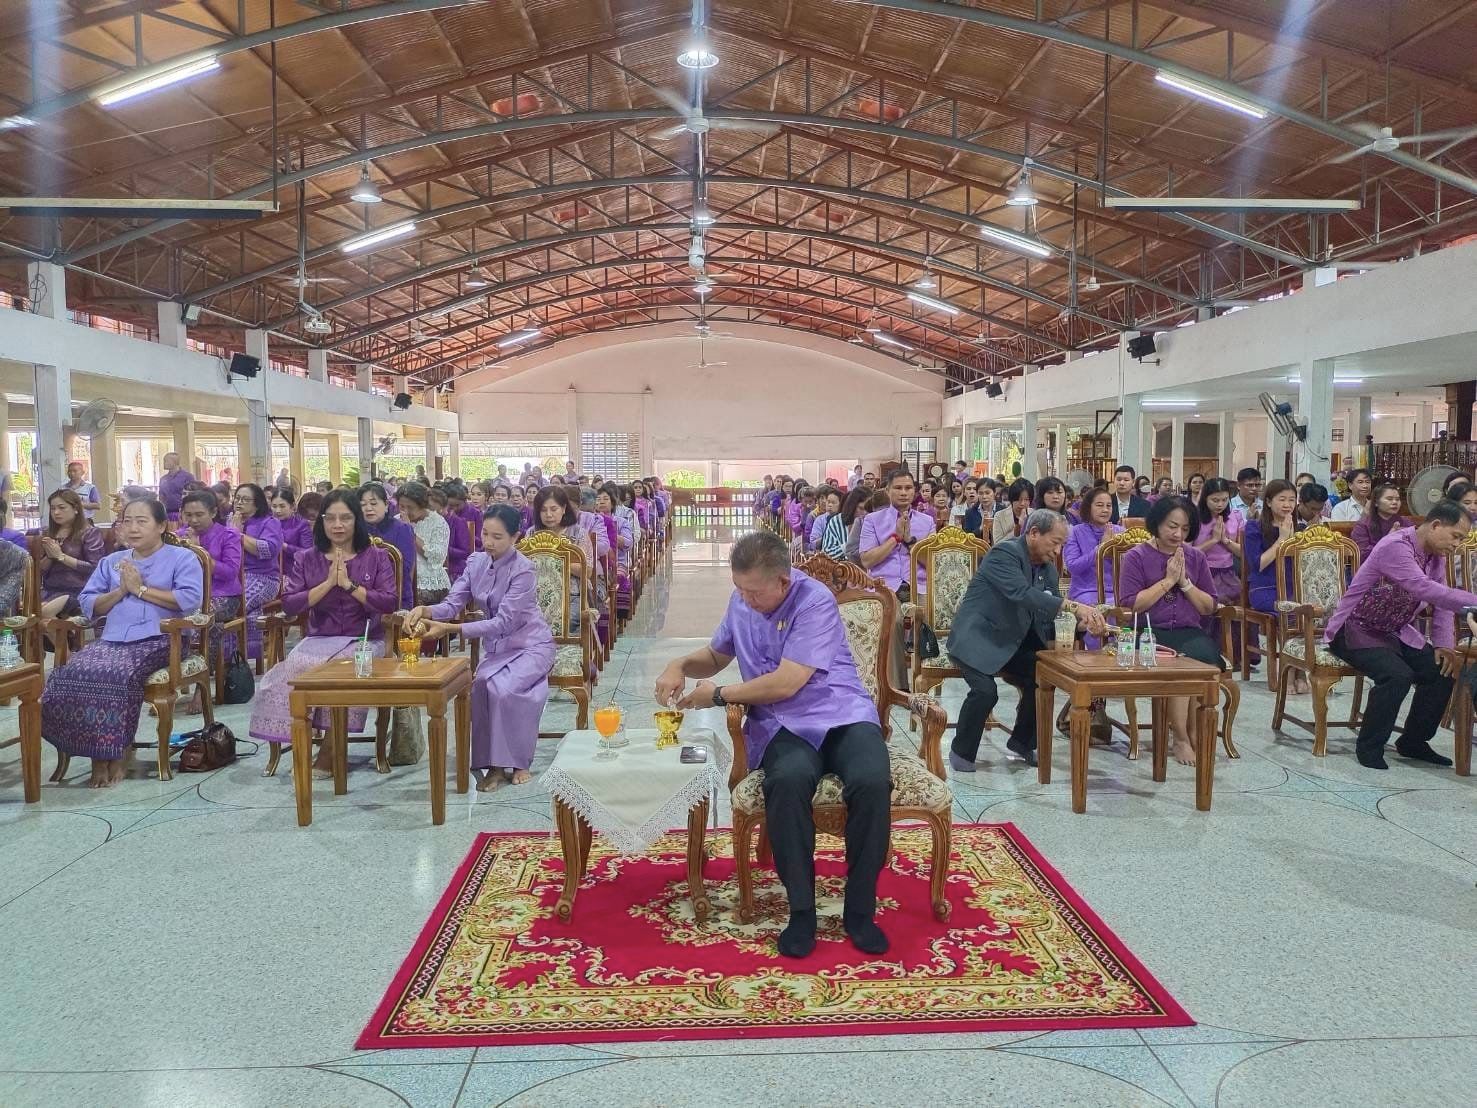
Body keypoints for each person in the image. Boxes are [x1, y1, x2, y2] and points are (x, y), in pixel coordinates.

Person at [654, 530, 890, 958]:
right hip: (782, 723)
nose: (745, 600)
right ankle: (801, 911)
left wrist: (719, 695)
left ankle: (860, 910)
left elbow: (786, 682)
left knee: (872, 779)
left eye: (754, 592)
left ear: (783, 580)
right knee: (787, 780)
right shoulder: (742, 601)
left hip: (840, 711)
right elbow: (717, 655)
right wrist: (679, 665)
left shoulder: (813, 600)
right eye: (739, 589)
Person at [40, 498, 203, 789]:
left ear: (161, 526)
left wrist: (140, 589)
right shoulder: (111, 562)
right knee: (69, 673)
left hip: (161, 638)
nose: (133, 528)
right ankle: (96, 753)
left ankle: (118, 751)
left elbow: (189, 600)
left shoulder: (182, 558)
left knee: (115, 674)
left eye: (142, 521)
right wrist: (121, 591)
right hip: (113, 639)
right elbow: (89, 603)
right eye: (128, 521)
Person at [248, 489, 399, 774]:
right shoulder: (307, 557)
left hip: (365, 638)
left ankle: (331, 750)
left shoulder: (376, 557)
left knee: (343, 669)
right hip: (320, 638)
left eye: (345, 518)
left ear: (356, 520)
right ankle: (301, 743)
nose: (337, 525)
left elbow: (389, 602)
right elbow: (291, 604)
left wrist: (350, 586)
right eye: (330, 518)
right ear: (322, 522)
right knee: (293, 668)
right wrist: (329, 583)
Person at [947, 509, 1107, 771]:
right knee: (986, 692)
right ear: (1033, 533)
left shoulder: (1048, 570)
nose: (1057, 551)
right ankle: (961, 752)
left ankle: (1023, 742)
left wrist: (1082, 626)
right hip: (977, 638)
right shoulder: (1004, 553)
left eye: (1062, 545)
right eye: (1055, 543)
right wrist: (1075, 606)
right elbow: (1022, 594)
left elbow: (1049, 615)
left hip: (1013, 643)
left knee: (1042, 676)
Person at [407, 504, 553, 790]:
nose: (488, 542)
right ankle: (494, 766)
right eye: (485, 534)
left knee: (505, 690)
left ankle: (519, 762)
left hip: (531, 645)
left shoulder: (523, 570)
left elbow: (504, 622)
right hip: (498, 649)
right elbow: (452, 604)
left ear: (515, 537)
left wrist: (451, 629)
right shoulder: (476, 562)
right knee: (483, 685)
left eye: (497, 537)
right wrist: (425, 610)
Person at [1325, 500, 1476, 770]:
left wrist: (1443, 645)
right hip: (1355, 627)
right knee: (1397, 675)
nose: (1457, 545)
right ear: (1436, 525)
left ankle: (1413, 742)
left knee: (1442, 670)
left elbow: (1441, 605)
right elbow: (1424, 588)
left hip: (1394, 631)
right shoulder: (1396, 546)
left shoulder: (1436, 556)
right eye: (1455, 536)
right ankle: (1369, 746)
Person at [1117, 497, 1224, 766]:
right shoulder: (1136, 557)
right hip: (1148, 632)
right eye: (1172, 526)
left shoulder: (1196, 557)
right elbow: (1132, 604)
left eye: (1185, 529)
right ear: (1157, 524)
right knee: (1179, 665)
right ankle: (1181, 737)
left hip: (1188, 631)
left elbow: (1209, 606)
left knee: (1204, 660)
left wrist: (1185, 583)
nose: (1178, 534)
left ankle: (1195, 731)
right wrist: (1168, 581)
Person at [1243, 479, 1304, 688]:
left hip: (1293, 588)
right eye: (1282, 499)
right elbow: (1258, 564)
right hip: (1265, 589)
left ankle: (1299, 671)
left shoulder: (1301, 529)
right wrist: (1282, 540)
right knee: (1290, 612)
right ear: (1268, 502)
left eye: (1292, 500)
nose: (1287, 505)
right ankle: (1289, 674)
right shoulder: (1254, 528)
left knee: (1307, 611)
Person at [177, 489, 245, 672]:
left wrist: (200, 552)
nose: (193, 520)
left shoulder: (228, 535)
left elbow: (230, 572)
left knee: (202, 618)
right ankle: (176, 670)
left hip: (224, 595)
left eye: (199, 515)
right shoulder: (178, 536)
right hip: (190, 594)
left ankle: (201, 674)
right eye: (188, 515)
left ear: (213, 512)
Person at [859, 469, 935, 599]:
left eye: (908, 488)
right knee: (893, 611)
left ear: (914, 491)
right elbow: (867, 561)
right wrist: (896, 538)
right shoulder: (872, 520)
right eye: (898, 488)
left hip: (919, 588)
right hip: (884, 588)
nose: (903, 493)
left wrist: (909, 541)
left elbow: (933, 563)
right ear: (887, 491)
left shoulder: (927, 521)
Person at [229, 483, 283, 663]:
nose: (239, 503)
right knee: (214, 606)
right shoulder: (230, 521)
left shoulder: (269, 522)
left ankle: (234, 657)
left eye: (245, 499)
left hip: (264, 578)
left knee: (235, 606)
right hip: (234, 577)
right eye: (237, 498)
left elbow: (268, 550)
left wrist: (238, 535)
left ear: (257, 503)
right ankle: (229, 658)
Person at [37, 489, 106, 629]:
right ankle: (67, 641)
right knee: (36, 614)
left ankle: (68, 641)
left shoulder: (90, 533)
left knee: (45, 612)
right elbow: (41, 570)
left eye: (62, 508)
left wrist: (61, 556)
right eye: (53, 508)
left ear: (75, 509)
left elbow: (95, 568)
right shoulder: (48, 533)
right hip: (50, 589)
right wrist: (50, 556)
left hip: (79, 589)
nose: (56, 512)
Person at [360, 482, 416, 609]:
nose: (368, 508)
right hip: (361, 596)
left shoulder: (402, 529)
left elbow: (404, 568)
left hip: (396, 596)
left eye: (373, 503)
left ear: (386, 505)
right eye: (363, 505)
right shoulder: (356, 530)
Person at [1195, 477, 1245, 605]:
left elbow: (1242, 552)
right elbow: (1187, 552)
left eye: (1224, 500)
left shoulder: (1235, 516)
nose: (1220, 505)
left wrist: (1224, 540)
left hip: (1228, 572)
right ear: (1205, 498)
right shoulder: (1194, 518)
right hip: (1201, 571)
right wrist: (1213, 540)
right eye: (1215, 500)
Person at [1351, 483, 1408, 562]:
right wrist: (1388, 539)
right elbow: (1362, 557)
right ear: (1376, 502)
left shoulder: (1405, 522)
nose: (1395, 502)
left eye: (1397, 499)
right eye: (1389, 499)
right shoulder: (1363, 525)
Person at [270, 487, 314, 558]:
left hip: (294, 564)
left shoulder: (301, 524)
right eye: (274, 506)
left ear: (292, 506)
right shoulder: (268, 523)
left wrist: (286, 547)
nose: (277, 510)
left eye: (282, 506)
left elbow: (308, 553)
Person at [992, 478, 1034, 545]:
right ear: (1012, 499)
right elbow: (998, 544)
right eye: (1018, 499)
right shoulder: (999, 516)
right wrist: (1018, 528)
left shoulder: (1034, 514)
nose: (1022, 503)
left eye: (1026, 499)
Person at [157, 452, 193, 520]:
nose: (164, 463)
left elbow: (191, 495)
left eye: (166, 461)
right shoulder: (163, 479)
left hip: (182, 512)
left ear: (174, 462)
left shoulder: (187, 477)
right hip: (167, 513)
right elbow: (161, 496)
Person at [808, 486, 842, 553]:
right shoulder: (819, 520)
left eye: (833, 503)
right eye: (828, 502)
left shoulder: (843, 519)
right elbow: (812, 543)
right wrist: (827, 538)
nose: (830, 505)